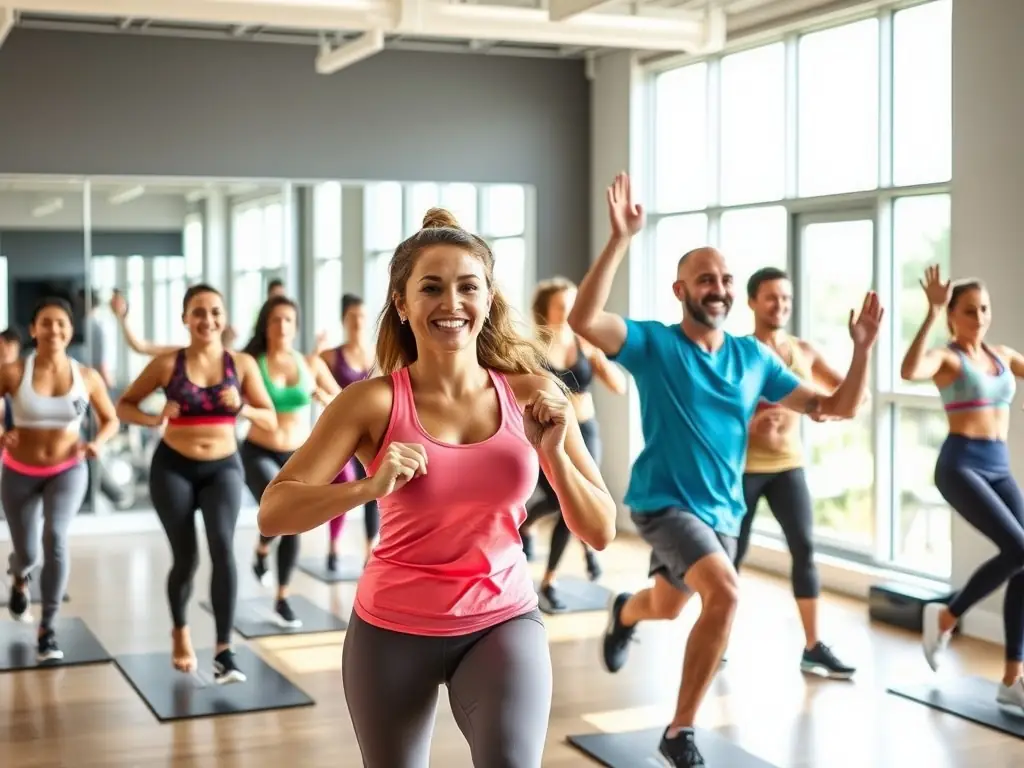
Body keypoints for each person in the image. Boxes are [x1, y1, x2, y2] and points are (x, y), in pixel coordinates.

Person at [258, 208, 617, 768]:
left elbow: (600, 529)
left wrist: (552, 454)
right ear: (402, 303)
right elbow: (273, 512)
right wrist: (368, 487)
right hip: (391, 630)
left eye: (467, 287)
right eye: (431, 288)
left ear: (488, 297)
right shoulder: (371, 402)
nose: (451, 304)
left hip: (502, 619)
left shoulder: (534, 393)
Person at [568, 173, 880, 768]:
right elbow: (585, 320)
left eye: (726, 280)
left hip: (722, 511)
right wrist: (619, 238)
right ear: (681, 288)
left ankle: (624, 612)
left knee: (668, 605)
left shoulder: (754, 357)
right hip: (663, 503)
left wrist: (863, 348)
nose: (718, 288)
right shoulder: (654, 344)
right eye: (706, 279)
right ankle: (679, 731)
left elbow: (834, 408)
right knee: (728, 593)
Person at [116, 284, 277, 684]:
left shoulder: (241, 365)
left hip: (223, 467)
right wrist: (155, 417)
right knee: (185, 560)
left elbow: (270, 419)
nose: (208, 320)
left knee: (223, 549)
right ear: (185, 319)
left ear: (224, 318)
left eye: (215, 312)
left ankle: (225, 650)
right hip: (173, 467)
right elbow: (124, 405)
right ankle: (180, 631)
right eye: (199, 312)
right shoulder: (167, 364)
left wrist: (241, 407)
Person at [901, 265, 1024, 712]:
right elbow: (910, 369)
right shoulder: (948, 358)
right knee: (1020, 548)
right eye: (969, 310)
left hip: (998, 467)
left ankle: (1013, 679)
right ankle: (948, 614)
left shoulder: (1004, 356)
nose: (979, 317)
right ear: (953, 316)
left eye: (984, 309)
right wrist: (931, 312)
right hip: (960, 466)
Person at [732, 266, 857, 679]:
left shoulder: (803, 350)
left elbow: (849, 394)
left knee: (804, 549)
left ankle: (812, 646)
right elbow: (715, 409)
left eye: (786, 298)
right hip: (743, 468)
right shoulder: (736, 351)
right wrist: (749, 427)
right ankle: (716, 637)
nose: (780, 305)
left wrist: (863, 349)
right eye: (771, 297)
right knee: (731, 556)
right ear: (752, 301)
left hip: (788, 466)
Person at [0, 297, 119, 660]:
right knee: (28, 553)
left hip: (68, 470)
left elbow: (110, 419)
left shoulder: (86, 376)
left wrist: (98, 442)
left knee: (55, 538)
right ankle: (19, 579)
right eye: (46, 323)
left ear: (70, 330)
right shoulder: (14, 371)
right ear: (34, 330)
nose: (54, 329)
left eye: (61, 324)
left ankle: (47, 629)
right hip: (19, 472)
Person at [519, 277, 626, 611]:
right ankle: (530, 524)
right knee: (557, 499)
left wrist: (600, 361)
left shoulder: (585, 343)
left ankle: (550, 578)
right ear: (547, 311)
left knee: (578, 500)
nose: (570, 312)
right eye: (563, 306)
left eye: (573, 305)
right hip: (548, 434)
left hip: (584, 429)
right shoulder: (533, 349)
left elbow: (618, 386)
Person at [245, 295, 341, 625]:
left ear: (295, 326)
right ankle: (262, 545)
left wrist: (321, 395)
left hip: (298, 455)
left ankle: (282, 596)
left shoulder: (309, 363)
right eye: (275, 320)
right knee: (279, 510)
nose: (282, 326)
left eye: (288, 320)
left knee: (293, 522)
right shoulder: (251, 362)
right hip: (258, 450)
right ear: (266, 325)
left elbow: (343, 402)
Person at [318, 293, 378, 568]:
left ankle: (370, 550)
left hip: (371, 435)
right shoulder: (331, 355)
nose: (358, 322)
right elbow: (313, 378)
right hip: (341, 436)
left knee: (373, 490)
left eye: (362, 317)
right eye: (353, 317)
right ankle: (333, 546)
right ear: (344, 321)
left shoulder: (377, 354)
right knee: (342, 486)